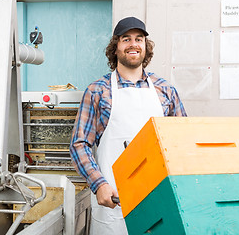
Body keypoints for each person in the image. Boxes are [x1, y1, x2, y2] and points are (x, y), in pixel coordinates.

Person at [69, 16, 187, 234]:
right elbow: (79, 144)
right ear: (116, 48)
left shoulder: (165, 90)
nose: (133, 44)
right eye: (126, 39)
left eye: (139, 39)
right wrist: (99, 184)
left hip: (159, 198)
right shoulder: (97, 91)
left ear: (145, 46)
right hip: (114, 200)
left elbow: (183, 142)